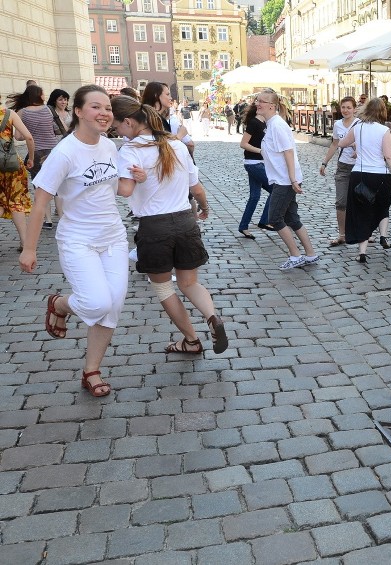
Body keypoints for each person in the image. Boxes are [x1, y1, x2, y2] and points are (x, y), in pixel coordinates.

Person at [19, 85, 147, 397]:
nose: (104, 113)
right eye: (95, 107)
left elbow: (119, 190)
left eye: (107, 108)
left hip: (113, 237)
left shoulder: (108, 146)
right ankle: (59, 304)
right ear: (78, 111)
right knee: (97, 301)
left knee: (112, 306)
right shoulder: (64, 153)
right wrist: (30, 248)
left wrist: (136, 179)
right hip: (78, 240)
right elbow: (40, 204)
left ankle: (92, 370)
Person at [111, 94, 229, 355]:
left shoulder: (130, 151)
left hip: (154, 227)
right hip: (186, 221)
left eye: (117, 127)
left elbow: (126, 190)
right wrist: (206, 208)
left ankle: (191, 340)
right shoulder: (176, 145)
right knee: (189, 283)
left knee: (164, 287)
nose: (118, 133)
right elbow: (196, 188)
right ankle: (213, 317)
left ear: (129, 122)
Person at [254, 88, 320, 270]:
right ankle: (310, 254)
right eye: (257, 100)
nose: (257, 104)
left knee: (274, 218)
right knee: (292, 218)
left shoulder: (277, 125)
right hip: (281, 179)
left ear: (272, 106)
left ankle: (295, 255)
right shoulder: (272, 124)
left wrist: (292, 180)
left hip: (285, 181)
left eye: (262, 101)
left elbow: (289, 152)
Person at [339, 97, 391, 263]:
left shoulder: (358, 128)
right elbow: (389, 156)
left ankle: (362, 252)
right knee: (382, 205)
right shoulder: (384, 130)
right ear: (383, 112)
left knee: (362, 212)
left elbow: (343, 143)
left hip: (359, 175)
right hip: (380, 175)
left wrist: (358, 148)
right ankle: (383, 236)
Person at [9, 84, 59, 229]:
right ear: (39, 95)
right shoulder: (49, 110)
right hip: (53, 151)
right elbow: (56, 129)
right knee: (57, 186)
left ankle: (48, 220)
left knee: (40, 186)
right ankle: (63, 217)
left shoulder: (22, 112)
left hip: (36, 153)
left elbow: (18, 137)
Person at [320, 96, 359, 246]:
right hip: (343, 166)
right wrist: (325, 162)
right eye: (343, 107)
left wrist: (358, 149)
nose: (346, 110)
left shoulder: (360, 124)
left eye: (349, 107)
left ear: (354, 109)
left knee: (360, 201)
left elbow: (368, 144)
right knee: (341, 202)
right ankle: (342, 234)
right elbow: (334, 144)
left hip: (358, 167)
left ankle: (363, 233)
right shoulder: (337, 125)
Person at [0, 99, 35, 252]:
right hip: (11, 164)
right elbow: (28, 137)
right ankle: (24, 241)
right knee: (16, 201)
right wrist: (31, 158)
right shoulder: (9, 114)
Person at [237, 98, 272, 239]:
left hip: (259, 163)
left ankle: (243, 227)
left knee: (255, 196)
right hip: (253, 164)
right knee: (276, 189)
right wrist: (261, 151)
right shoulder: (254, 123)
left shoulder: (266, 123)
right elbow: (243, 143)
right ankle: (264, 221)